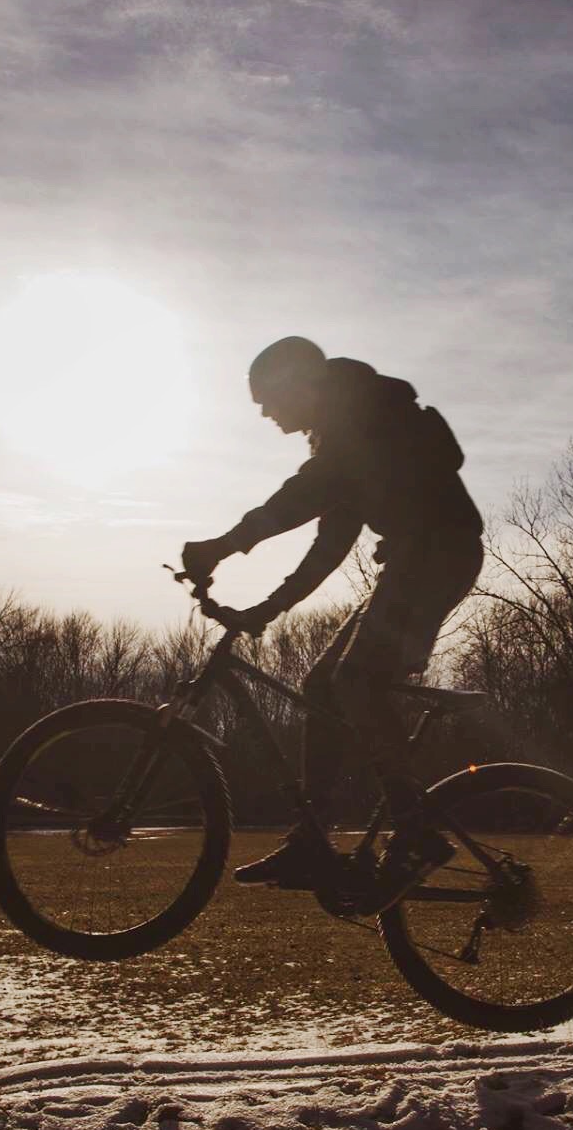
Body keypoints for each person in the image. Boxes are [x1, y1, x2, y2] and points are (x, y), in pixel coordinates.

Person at [180, 336, 483, 907]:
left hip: (439, 556)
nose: (266, 413)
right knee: (322, 685)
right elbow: (328, 546)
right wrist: (267, 610)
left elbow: (299, 498)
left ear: (298, 383)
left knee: (355, 681)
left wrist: (222, 546)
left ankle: (417, 833)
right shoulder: (348, 435)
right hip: (420, 558)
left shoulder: (359, 418)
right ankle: (314, 840)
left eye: (267, 399)